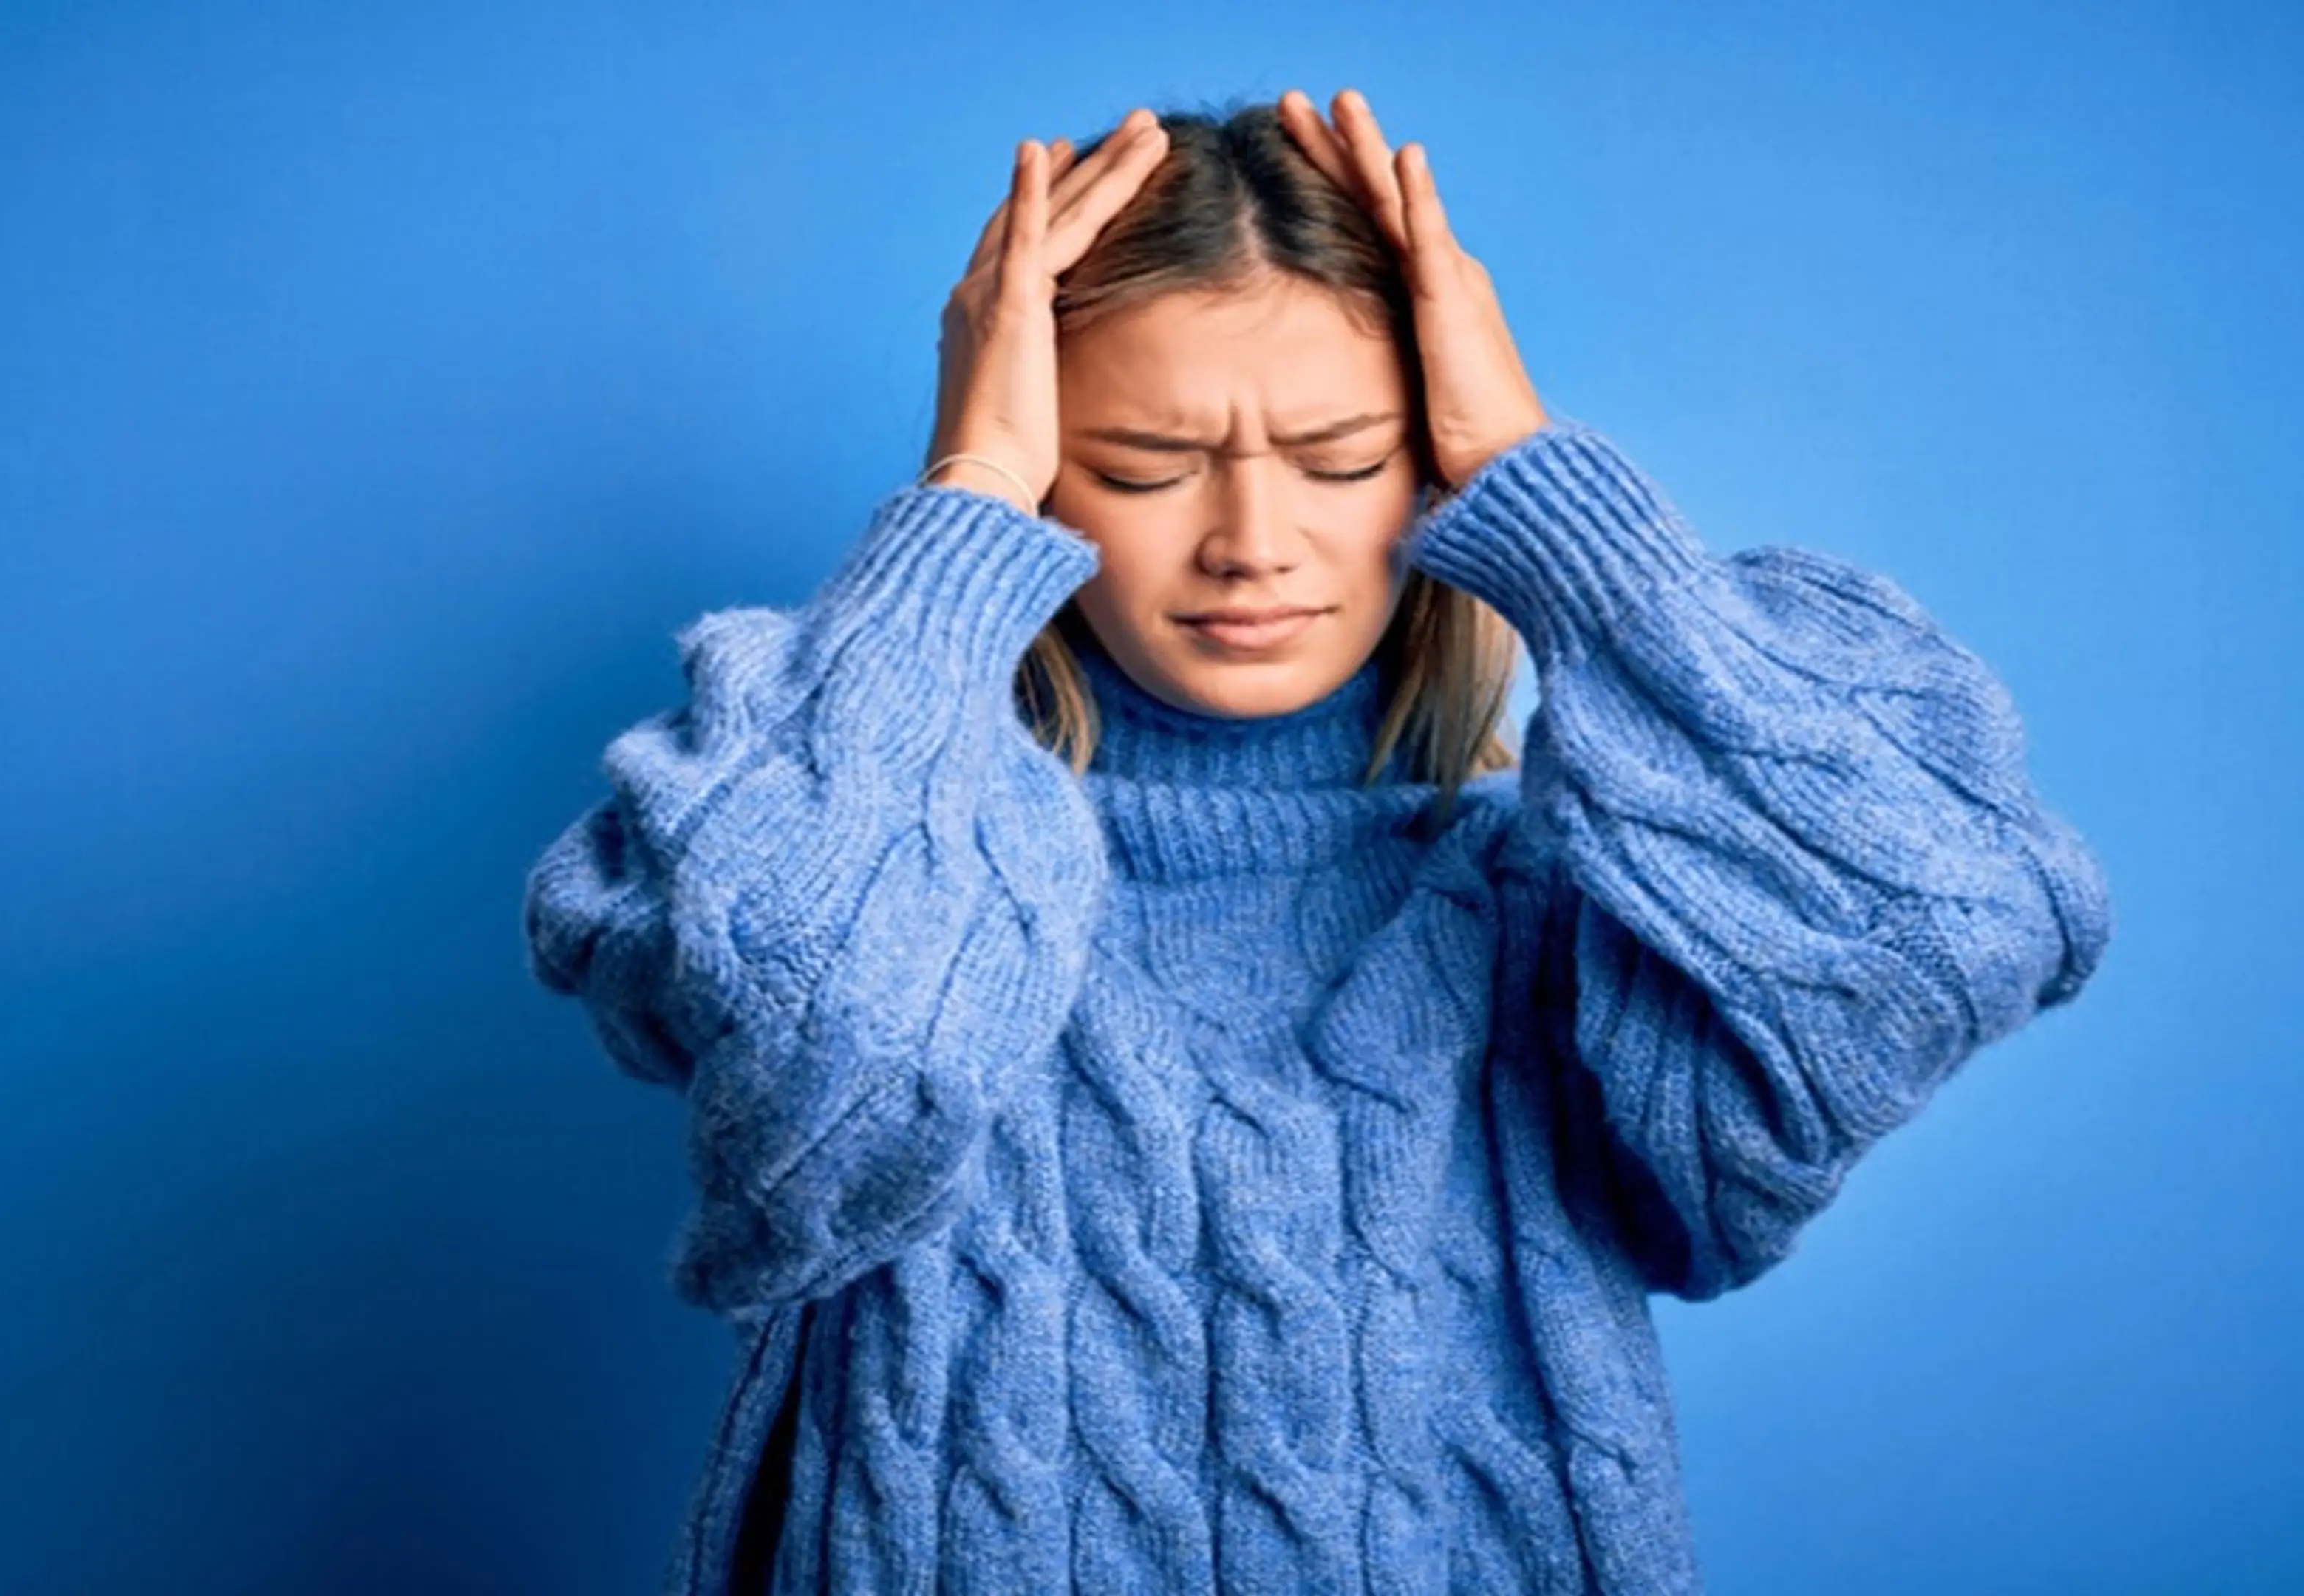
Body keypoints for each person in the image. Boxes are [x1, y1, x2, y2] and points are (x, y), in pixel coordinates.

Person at [522, 87, 2113, 1596]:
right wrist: (966, 497)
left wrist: (1554, 509)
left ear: (1425, 469)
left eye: (1343, 462)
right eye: (1144, 469)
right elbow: (834, 1050)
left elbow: (1954, 925)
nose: (1252, 546)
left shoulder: (1562, 910)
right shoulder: (872, 855)